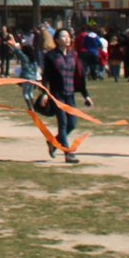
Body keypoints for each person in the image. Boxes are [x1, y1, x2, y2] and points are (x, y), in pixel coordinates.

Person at [39, 29, 86, 164]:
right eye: (63, 37)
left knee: (72, 123)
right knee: (63, 123)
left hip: (70, 94)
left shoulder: (73, 55)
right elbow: (46, 76)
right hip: (57, 94)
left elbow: (79, 75)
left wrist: (85, 95)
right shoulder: (51, 56)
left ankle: (53, 143)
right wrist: (45, 93)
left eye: (68, 36)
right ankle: (68, 153)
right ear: (57, 40)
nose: (66, 39)